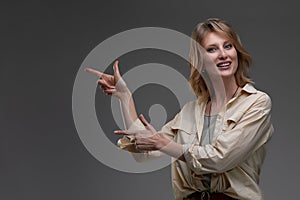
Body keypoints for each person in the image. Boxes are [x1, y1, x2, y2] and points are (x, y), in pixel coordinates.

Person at [85, 18, 273, 200]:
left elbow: (220, 159)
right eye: (212, 49)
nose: (223, 54)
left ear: (237, 52)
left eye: (228, 46)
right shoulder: (189, 112)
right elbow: (145, 153)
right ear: (200, 61)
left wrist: (165, 145)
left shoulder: (256, 103)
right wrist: (125, 97)